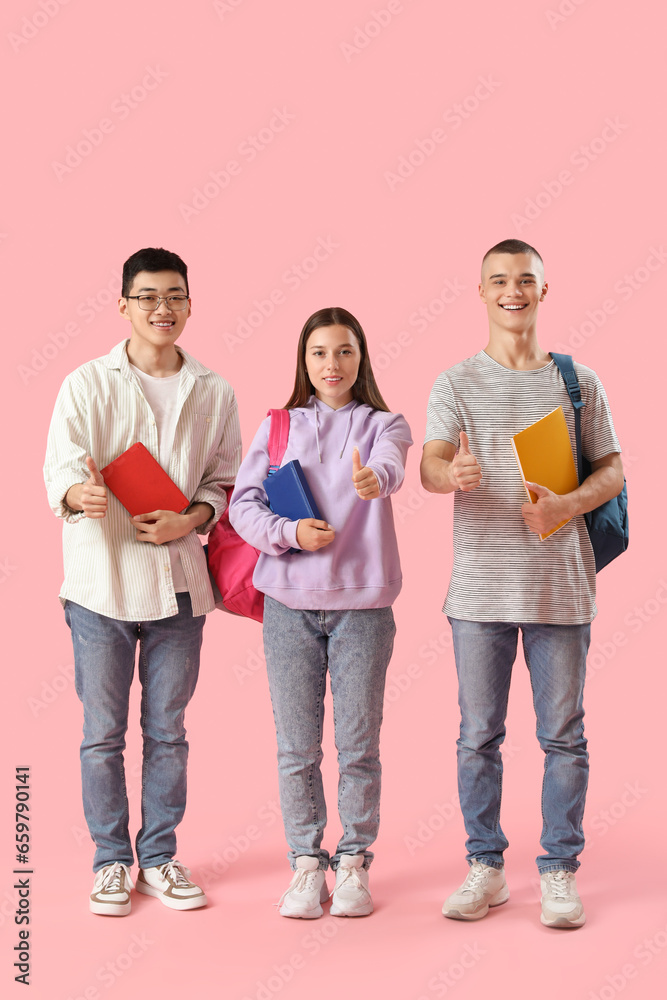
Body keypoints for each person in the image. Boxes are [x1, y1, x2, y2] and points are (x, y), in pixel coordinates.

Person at [420, 239, 624, 928]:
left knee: (563, 736)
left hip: (560, 589)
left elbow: (613, 471)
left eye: (525, 280)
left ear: (544, 290)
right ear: (480, 291)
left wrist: (567, 506)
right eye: (498, 280)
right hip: (478, 590)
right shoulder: (453, 383)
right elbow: (428, 465)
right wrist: (453, 475)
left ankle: (559, 872)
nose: (513, 290)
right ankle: (485, 868)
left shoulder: (576, 382)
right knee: (477, 735)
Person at [44, 247, 241, 915]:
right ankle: (110, 861)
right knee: (102, 731)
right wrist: (78, 494)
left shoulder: (213, 389)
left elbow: (225, 481)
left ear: (190, 303)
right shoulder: (85, 383)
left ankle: (158, 856)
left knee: (168, 729)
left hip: (180, 587)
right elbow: (60, 466)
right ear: (122, 303)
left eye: (175, 296)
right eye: (148, 296)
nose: (163, 308)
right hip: (100, 583)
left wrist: (192, 517)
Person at [229, 307, 412, 918]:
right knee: (297, 749)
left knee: (359, 746)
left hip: (363, 608)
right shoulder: (277, 426)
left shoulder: (386, 424)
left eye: (344, 352)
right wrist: (287, 533)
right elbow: (242, 507)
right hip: (288, 606)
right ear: (303, 361)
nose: (331, 365)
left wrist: (373, 483)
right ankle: (307, 866)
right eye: (319, 353)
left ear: (362, 358)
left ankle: (354, 863)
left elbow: (390, 469)